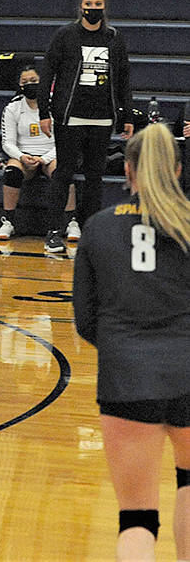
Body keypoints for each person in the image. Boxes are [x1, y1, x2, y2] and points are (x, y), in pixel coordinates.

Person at [72, 124, 190, 562]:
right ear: (176, 170)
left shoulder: (99, 227)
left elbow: (85, 321)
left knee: (137, 519)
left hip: (127, 377)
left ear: (128, 171)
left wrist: (128, 348)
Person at [37, 0, 133, 255]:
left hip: (102, 117)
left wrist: (125, 113)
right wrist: (44, 111)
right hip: (69, 117)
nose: (93, 10)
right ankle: (54, 231)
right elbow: (48, 75)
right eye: (88, 5)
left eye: (97, 5)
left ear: (105, 7)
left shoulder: (114, 38)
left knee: (94, 177)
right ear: (81, 6)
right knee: (63, 173)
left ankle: (88, 229)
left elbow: (124, 78)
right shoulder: (65, 35)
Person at [0, 64, 80, 243]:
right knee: (12, 172)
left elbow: (65, 140)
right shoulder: (12, 108)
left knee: (63, 172)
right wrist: (21, 157)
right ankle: (8, 221)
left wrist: (44, 158)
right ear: (19, 85)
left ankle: (71, 221)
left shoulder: (58, 104)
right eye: (25, 82)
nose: (29, 84)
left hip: (52, 154)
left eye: (34, 81)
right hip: (24, 155)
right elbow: (7, 142)